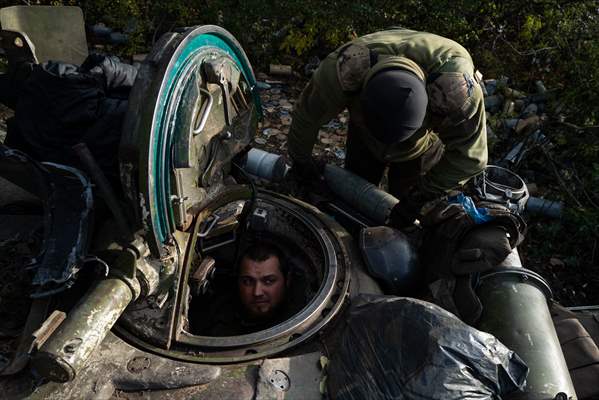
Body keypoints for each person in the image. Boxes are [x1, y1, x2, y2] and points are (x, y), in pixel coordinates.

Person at [288, 28, 488, 227]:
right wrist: (302, 161)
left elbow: (470, 158)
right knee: (353, 198)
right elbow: (307, 117)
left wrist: (422, 193)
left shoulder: (457, 93)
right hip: (364, 136)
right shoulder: (343, 70)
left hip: (420, 146)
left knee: (406, 218)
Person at [195, 242, 293, 336]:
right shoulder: (214, 319)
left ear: (287, 280)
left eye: (268, 281)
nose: (257, 292)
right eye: (248, 282)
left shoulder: (299, 318)